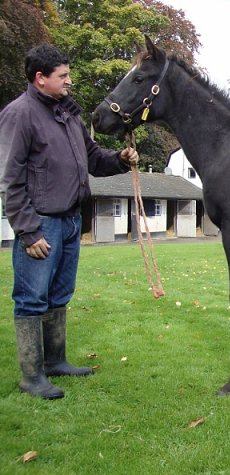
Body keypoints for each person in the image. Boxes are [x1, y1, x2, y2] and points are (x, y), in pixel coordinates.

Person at [0, 44, 139, 400]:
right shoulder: (19, 114)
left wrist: (120, 159)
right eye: (63, 76)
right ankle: (32, 377)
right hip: (41, 224)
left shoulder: (68, 114)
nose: (69, 81)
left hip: (71, 221)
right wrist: (27, 230)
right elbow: (9, 179)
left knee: (59, 295)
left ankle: (56, 362)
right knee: (32, 299)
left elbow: (93, 159)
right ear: (40, 78)